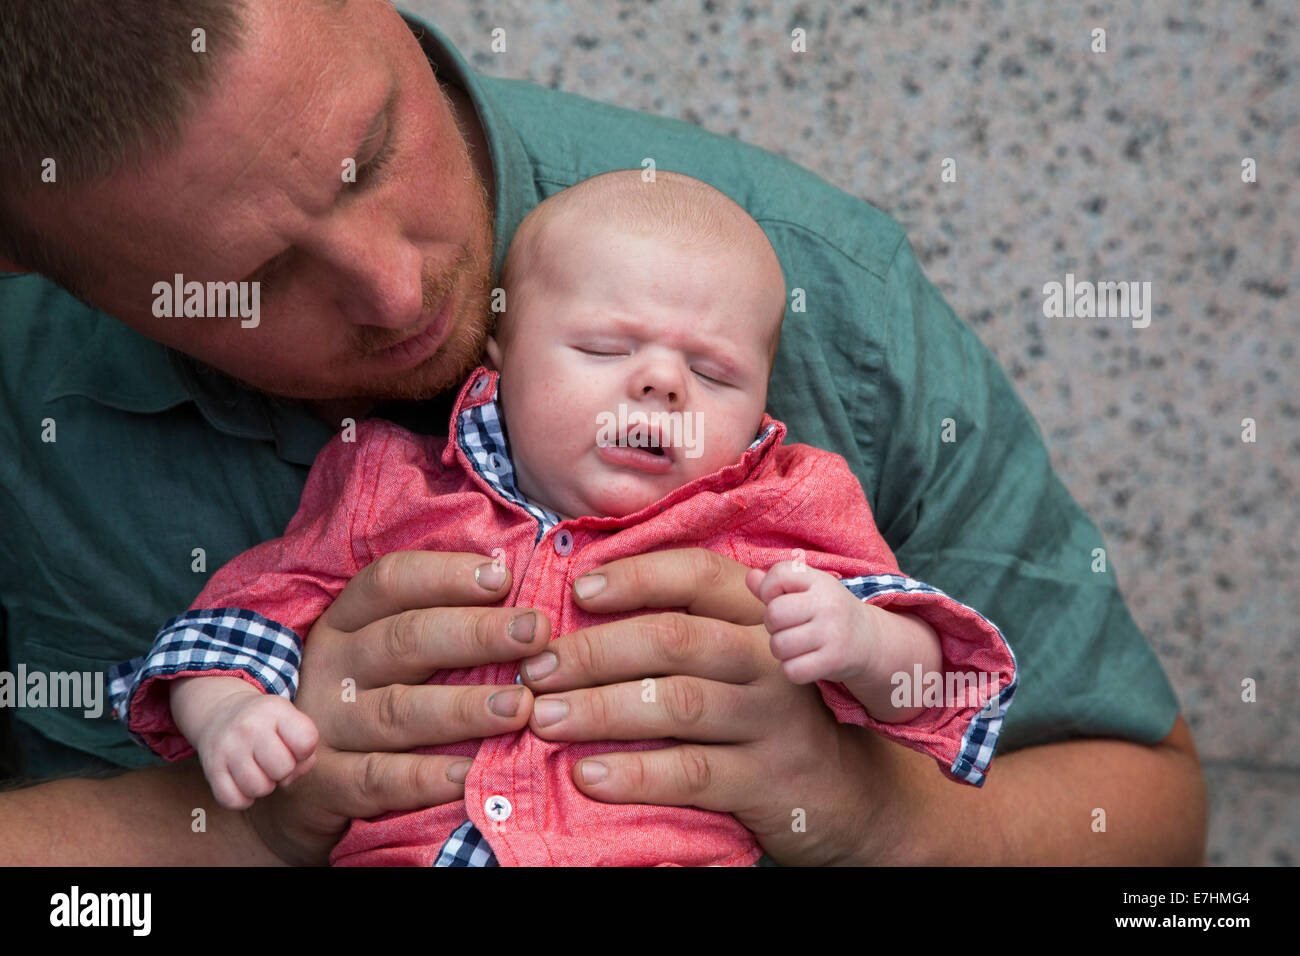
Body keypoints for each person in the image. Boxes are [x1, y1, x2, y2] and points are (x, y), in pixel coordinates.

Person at [0, 0, 1205, 865]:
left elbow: (1152, 812)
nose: (398, 293)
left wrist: (889, 821)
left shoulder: (818, 288)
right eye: (251, 280)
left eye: (369, 156)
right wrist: (233, 823)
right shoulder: (28, 369)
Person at [106, 171, 1018, 866]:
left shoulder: (779, 507)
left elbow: (937, 688)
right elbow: (248, 616)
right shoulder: (391, 486)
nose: (661, 383)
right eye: (603, 347)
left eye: (714, 374)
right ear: (502, 351)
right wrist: (230, 715)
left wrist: (861, 640)